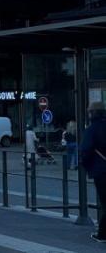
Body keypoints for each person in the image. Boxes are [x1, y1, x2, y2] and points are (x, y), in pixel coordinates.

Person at [80, 100, 106, 243]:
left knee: (105, 202)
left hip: (101, 170)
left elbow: (85, 151)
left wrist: (88, 166)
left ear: (93, 113)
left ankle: (102, 234)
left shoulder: (92, 129)